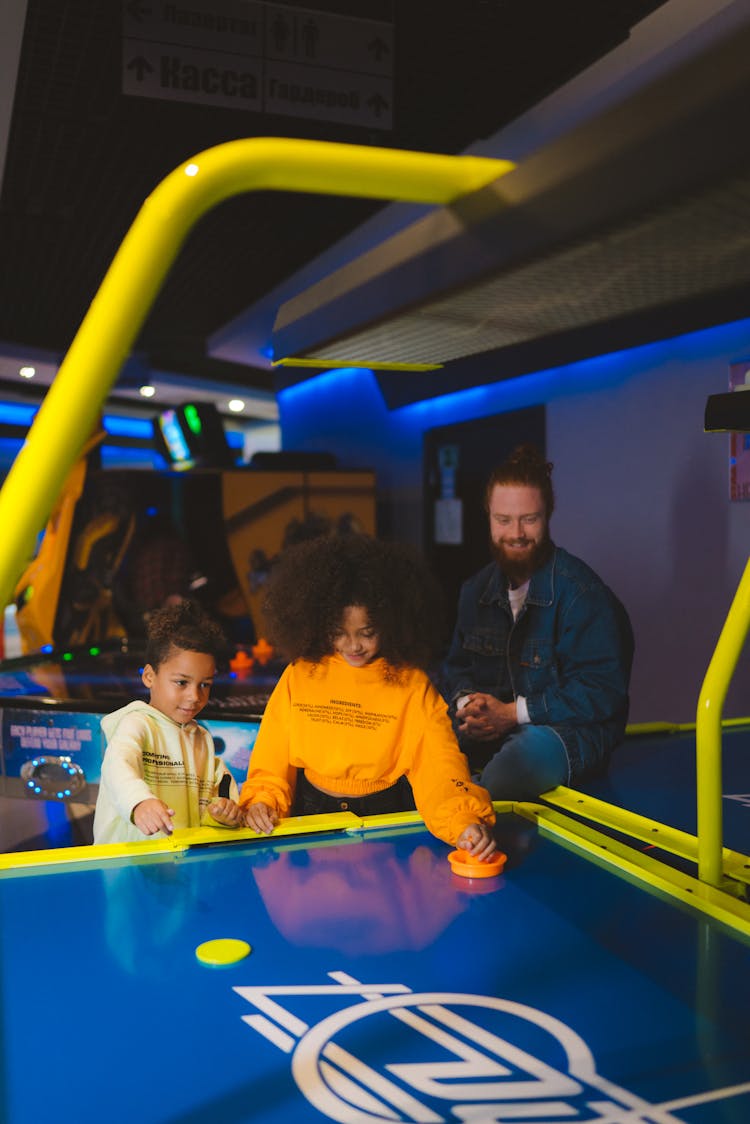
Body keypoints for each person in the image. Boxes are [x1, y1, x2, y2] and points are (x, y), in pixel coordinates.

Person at [240, 533, 497, 859]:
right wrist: (262, 801)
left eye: (367, 633)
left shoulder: (411, 684)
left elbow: (440, 766)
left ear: (391, 623)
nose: (354, 646)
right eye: (339, 633)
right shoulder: (300, 673)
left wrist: (463, 821)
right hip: (310, 818)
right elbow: (270, 760)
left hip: (386, 820)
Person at [442, 444, 634, 800]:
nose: (516, 533)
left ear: (548, 515)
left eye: (529, 519)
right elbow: (455, 668)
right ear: (488, 516)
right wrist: (467, 703)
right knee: (420, 760)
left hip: (567, 734)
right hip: (495, 729)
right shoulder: (474, 590)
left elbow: (602, 692)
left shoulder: (581, 593)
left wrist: (511, 714)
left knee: (505, 777)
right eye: (503, 520)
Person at [93, 600, 244, 844]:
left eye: (204, 684)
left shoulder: (202, 740)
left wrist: (221, 813)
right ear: (149, 676)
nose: (195, 696)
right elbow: (118, 766)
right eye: (181, 682)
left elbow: (214, 799)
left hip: (179, 865)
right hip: (128, 867)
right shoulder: (137, 724)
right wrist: (139, 801)